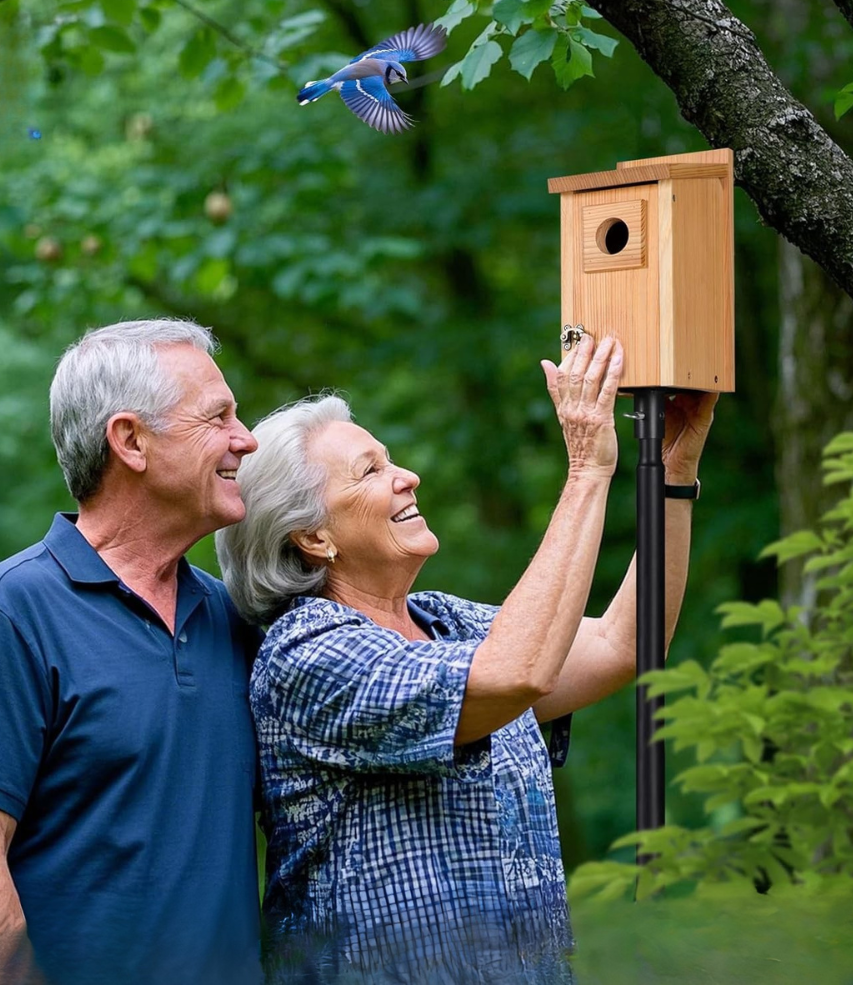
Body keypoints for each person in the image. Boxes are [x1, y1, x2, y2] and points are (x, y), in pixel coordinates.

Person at [216, 334, 717, 983]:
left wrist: (672, 473)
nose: (407, 477)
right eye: (371, 472)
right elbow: (517, 673)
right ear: (313, 536)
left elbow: (624, 645)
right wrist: (588, 469)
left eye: (390, 460)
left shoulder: (444, 620)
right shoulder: (307, 653)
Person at [0, 319, 262, 985]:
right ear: (131, 440)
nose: (244, 439)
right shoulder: (10, 613)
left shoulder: (232, 617)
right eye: (218, 417)